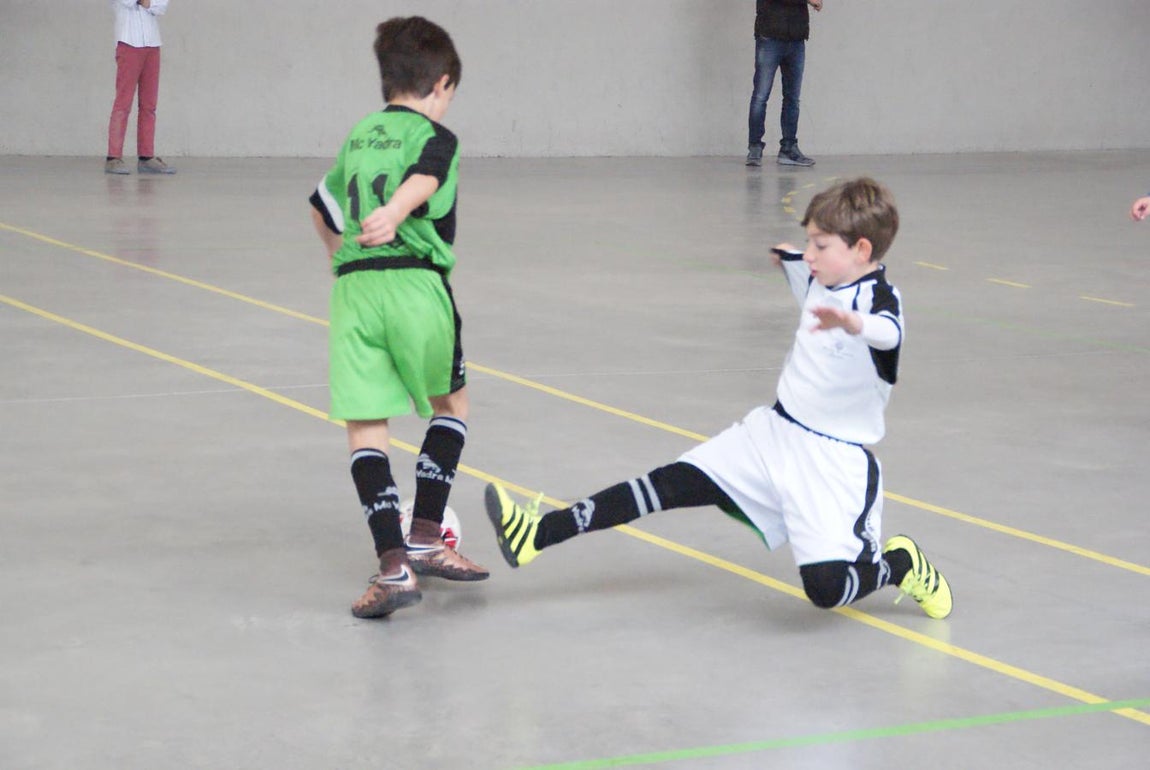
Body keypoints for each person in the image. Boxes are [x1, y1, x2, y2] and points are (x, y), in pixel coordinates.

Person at [485, 177, 953, 620]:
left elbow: (889, 333)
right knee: (667, 484)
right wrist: (790, 256)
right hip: (772, 434)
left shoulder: (879, 301)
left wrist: (853, 324)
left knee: (826, 590)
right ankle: (537, 534)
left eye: (821, 245)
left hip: (831, 464)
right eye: (809, 242)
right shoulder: (819, 278)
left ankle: (900, 564)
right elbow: (804, 269)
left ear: (862, 250)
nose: (810, 254)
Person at [309, 16, 488, 620]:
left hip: (355, 293)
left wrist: (339, 259)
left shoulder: (360, 134)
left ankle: (393, 567)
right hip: (415, 284)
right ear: (441, 85)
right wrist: (394, 212)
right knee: (451, 404)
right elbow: (426, 175)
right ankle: (427, 536)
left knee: (366, 427)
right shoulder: (437, 135)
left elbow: (321, 206)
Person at [745, 0, 822, 168]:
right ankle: (755, 148)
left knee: (792, 98)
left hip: (796, 38)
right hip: (770, 36)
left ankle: (788, 148)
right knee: (760, 96)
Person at [105, 0, 176, 175]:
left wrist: (146, 3)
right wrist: (147, 3)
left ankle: (146, 156)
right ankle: (113, 157)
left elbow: (162, 6)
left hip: (152, 43)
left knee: (149, 104)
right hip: (128, 42)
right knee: (123, 103)